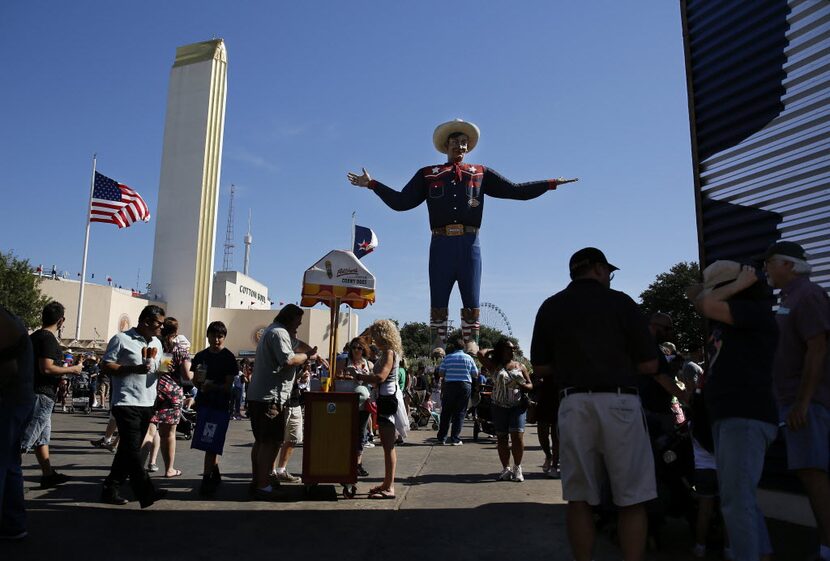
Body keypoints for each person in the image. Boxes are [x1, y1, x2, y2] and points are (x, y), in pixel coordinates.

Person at [347, 118, 577, 348]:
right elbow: (401, 202)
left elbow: (515, 190)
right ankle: (438, 341)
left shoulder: (479, 173)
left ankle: (471, 341)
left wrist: (548, 184)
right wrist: (373, 184)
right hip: (440, 241)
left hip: (470, 242)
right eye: (456, 142)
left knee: (471, 291)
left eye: (465, 143)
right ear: (446, 146)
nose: (461, 147)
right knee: (438, 292)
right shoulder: (428, 174)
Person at [530, 247, 660, 561]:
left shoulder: (552, 306)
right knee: (632, 498)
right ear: (600, 270)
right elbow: (650, 365)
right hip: (619, 401)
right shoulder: (622, 303)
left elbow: (541, 367)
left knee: (579, 498)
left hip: (574, 402)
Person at [688, 260, 778, 561]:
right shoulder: (730, 320)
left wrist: (738, 284)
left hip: (745, 416)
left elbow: (704, 303)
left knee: (736, 502)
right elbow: (697, 296)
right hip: (731, 417)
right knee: (740, 499)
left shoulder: (751, 313)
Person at [761, 241, 830, 561]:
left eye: (770, 262)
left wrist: (802, 403)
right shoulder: (789, 298)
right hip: (794, 402)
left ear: (789, 265)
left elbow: (818, 348)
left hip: (808, 404)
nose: (766, 269)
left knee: (814, 473)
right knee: (809, 472)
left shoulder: (809, 295)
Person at [247, 305, 321, 499]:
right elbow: (288, 360)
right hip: (270, 397)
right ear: (290, 319)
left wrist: (312, 352)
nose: (299, 324)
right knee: (271, 442)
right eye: (298, 321)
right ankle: (263, 485)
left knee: (261, 441)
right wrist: (307, 356)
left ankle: (258, 479)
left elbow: (297, 343)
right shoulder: (280, 333)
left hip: (260, 395)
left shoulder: (275, 331)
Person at [100, 304, 166, 508]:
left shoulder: (157, 342)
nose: (161, 328)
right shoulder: (122, 339)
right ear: (146, 322)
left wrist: (163, 370)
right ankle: (146, 493)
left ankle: (110, 487)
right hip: (126, 402)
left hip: (147, 401)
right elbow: (106, 365)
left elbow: (159, 366)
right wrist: (134, 369)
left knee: (128, 450)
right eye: (159, 324)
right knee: (133, 451)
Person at [20, 302, 82, 488]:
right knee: (25, 440)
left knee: (41, 439)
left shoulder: (35, 337)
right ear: (61, 320)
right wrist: (72, 369)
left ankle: (48, 474)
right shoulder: (47, 339)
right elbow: (46, 368)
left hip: (36, 392)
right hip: (42, 395)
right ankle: (6, 474)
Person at [353, 319, 403, 499]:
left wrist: (359, 376)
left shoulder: (389, 352)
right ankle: (386, 483)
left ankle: (389, 487)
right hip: (385, 398)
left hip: (387, 399)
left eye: (375, 335)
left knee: (388, 446)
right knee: (386, 445)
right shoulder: (388, 352)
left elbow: (380, 377)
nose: (372, 339)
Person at [0, 306, 35, 540]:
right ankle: (13, 524)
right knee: (9, 464)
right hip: (17, 400)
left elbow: (7, 369)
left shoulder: (5, 320)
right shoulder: (8, 318)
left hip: (9, 400)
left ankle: (13, 523)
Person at [190, 321, 236, 496]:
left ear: (224, 338)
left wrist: (213, 386)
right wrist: (199, 382)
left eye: (220, 336)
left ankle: (207, 479)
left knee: (211, 443)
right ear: (207, 335)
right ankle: (213, 472)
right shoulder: (201, 356)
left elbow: (228, 386)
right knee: (207, 441)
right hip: (204, 404)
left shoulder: (228, 357)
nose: (217, 340)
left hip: (220, 405)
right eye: (214, 335)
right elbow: (194, 380)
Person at [478, 338, 532, 482]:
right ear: (501, 350)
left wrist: (520, 384)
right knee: (502, 438)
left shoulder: (520, 366)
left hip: (517, 406)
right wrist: (493, 350)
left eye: (513, 348)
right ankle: (506, 468)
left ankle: (517, 467)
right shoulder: (494, 366)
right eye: (508, 348)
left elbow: (530, 385)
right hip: (498, 406)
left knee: (517, 436)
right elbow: (480, 354)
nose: (512, 351)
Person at [145, 318, 191, 478]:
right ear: (176, 331)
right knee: (169, 434)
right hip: (172, 393)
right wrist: (195, 373)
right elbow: (186, 375)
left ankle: (137, 468)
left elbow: (159, 368)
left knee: (149, 431)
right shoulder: (179, 349)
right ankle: (169, 469)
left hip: (153, 391)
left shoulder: (155, 346)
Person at [335, 337, 374, 476]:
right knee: (344, 432)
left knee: (361, 433)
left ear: (364, 349)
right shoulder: (343, 361)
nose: (356, 350)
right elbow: (337, 378)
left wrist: (360, 376)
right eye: (354, 347)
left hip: (364, 404)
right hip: (346, 402)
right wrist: (351, 376)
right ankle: (344, 461)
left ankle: (358, 463)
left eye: (359, 348)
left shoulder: (369, 364)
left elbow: (374, 383)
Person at [435, 339, 479, 445]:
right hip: (464, 386)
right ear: (463, 348)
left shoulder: (448, 358)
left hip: (450, 385)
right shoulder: (469, 358)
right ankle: (455, 438)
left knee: (446, 412)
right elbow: (475, 374)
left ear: (453, 347)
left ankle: (442, 438)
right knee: (460, 412)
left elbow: (441, 373)